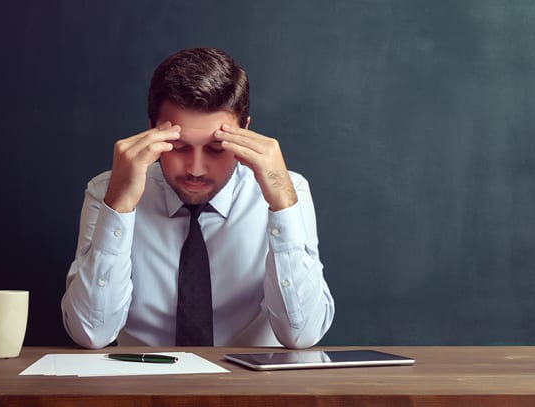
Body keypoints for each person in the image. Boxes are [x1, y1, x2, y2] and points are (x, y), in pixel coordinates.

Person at [61, 48, 334, 349]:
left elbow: (303, 334)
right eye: (179, 147)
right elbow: (91, 333)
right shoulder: (106, 192)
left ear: (245, 131)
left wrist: (282, 203)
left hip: (252, 391)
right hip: (144, 388)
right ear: (152, 130)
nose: (196, 169)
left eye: (217, 148)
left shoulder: (288, 191)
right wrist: (119, 206)